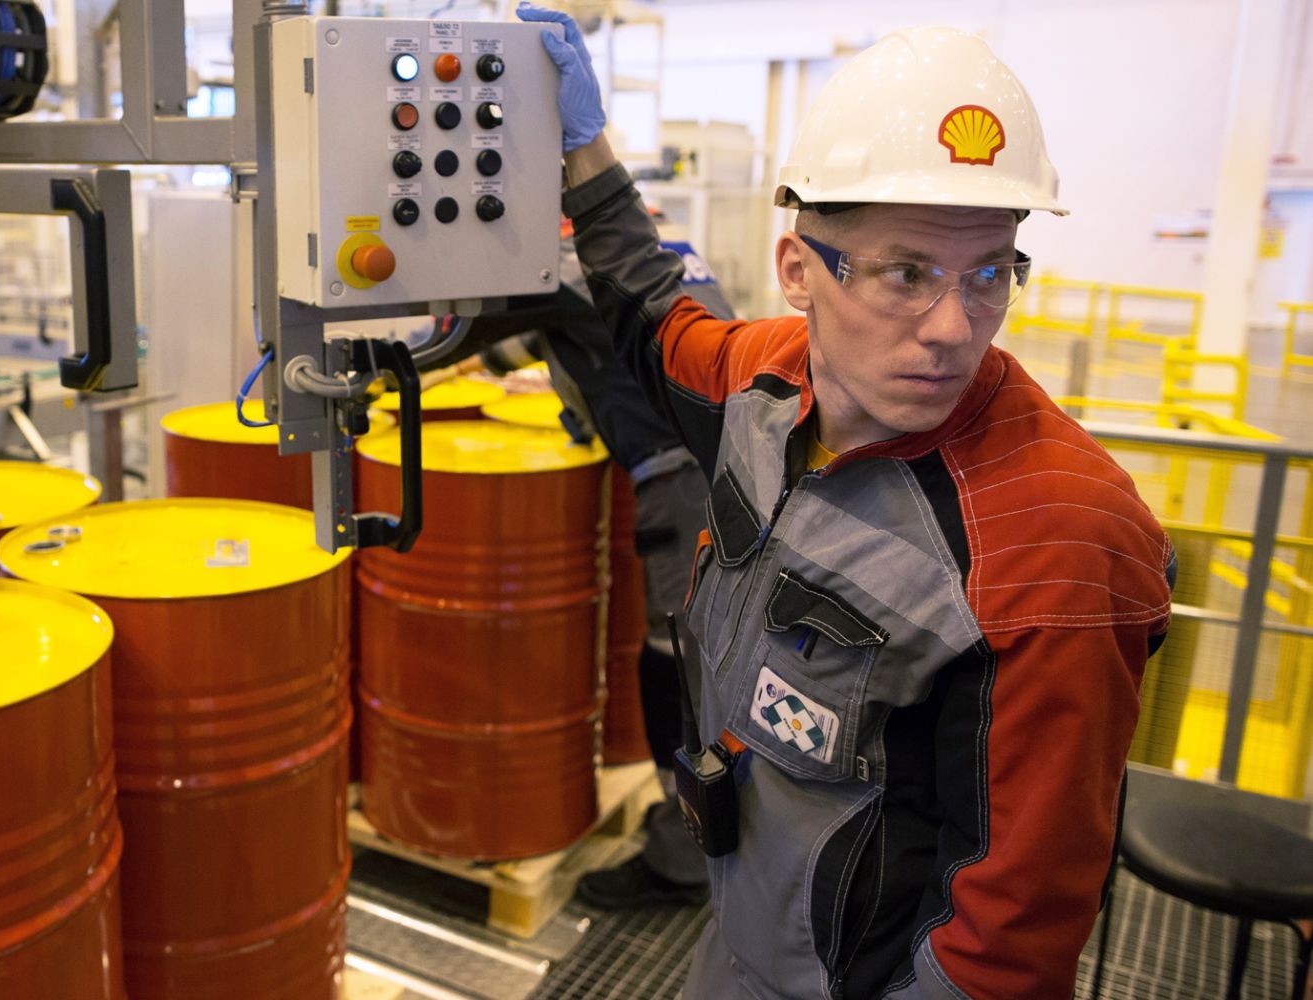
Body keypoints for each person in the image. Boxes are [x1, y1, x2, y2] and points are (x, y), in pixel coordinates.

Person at [517, 5, 1177, 998]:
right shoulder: (760, 383)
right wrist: (584, 145)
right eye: (905, 274)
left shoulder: (1056, 542)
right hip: (738, 926)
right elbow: (652, 313)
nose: (953, 327)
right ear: (797, 272)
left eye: (988, 273)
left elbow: (1005, 940)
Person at [422, 228, 731, 910]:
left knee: (678, 671)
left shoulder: (552, 265)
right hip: (734, 465)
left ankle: (684, 861)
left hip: (685, 484)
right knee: (700, 663)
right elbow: (546, 333)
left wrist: (373, 363)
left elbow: (444, 340)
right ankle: (701, 825)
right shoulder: (644, 241)